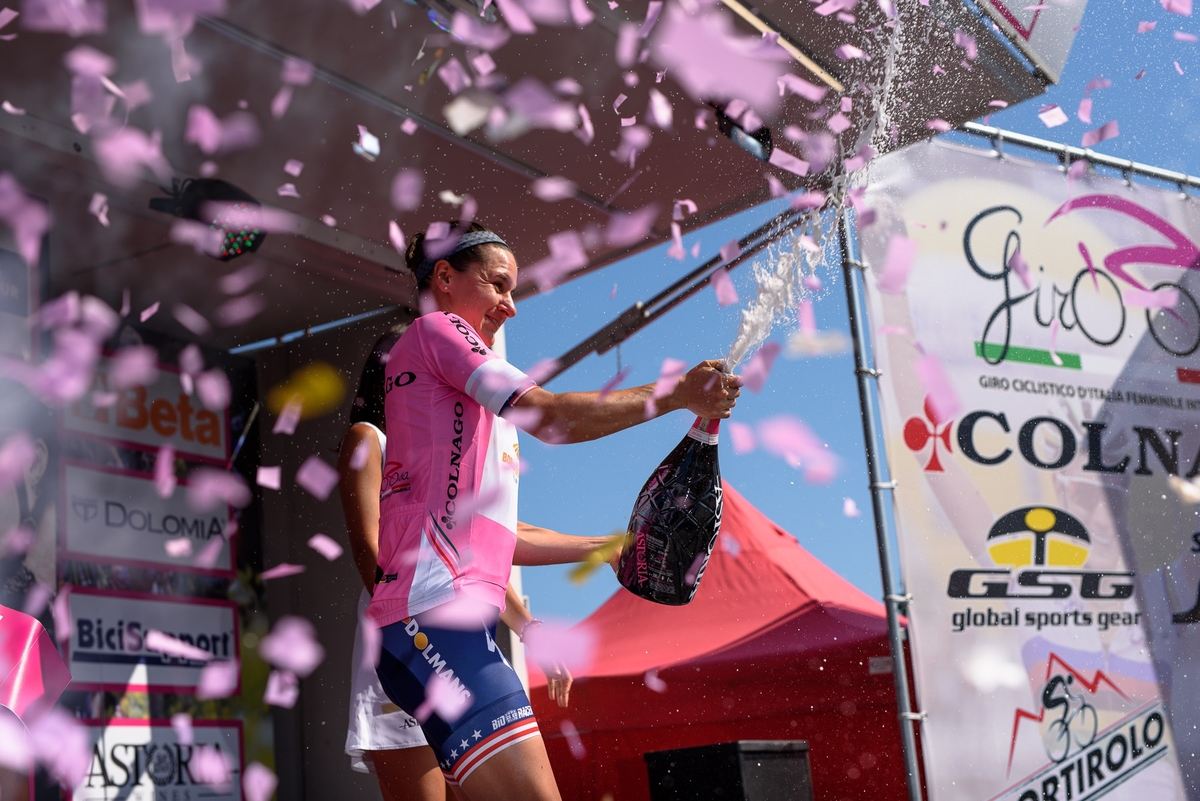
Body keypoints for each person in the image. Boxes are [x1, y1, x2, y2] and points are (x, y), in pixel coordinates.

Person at [367, 220, 739, 801]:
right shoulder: (438, 329)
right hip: (432, 619)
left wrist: (605, 548)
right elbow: (554, 417)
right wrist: (677, 394)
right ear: (444, 277)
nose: (511, 306)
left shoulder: (473, 405)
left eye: (514, 291)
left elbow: (498, 535)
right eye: (497, 284)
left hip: (440, 624)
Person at [338, 325, 598, 800]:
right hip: (407, 641)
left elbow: (479, 554)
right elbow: (368, 550)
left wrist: (531, 629)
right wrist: (415, 627)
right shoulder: (368, 438)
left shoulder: (437, 458)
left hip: (458, 642)